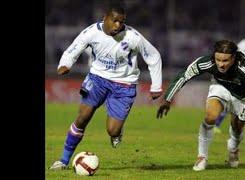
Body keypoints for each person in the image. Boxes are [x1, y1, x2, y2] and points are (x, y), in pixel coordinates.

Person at [49, 2, 163, 170]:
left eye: (121, 22)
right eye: (115, 20)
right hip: (97, 79)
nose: (118, 25)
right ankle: (63, 161)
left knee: (112, 131)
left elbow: (153, 56)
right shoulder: (91, 32)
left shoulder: (133, 37)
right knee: (82, 118)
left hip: (124, 85)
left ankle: (117, 133)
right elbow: (74, 48)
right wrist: (65, 64)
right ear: (105, 18)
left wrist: (156, 86)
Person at [157, 40, 245, 171]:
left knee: (237, 128)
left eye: (225, 61)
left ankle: (233, 148)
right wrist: (168, 99)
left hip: (243, 96)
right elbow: (184, 75)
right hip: (220, 87)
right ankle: (202, 157)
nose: (221, 65)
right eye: (218, 60)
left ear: (234, 58)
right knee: (210, 117)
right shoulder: (208, 62)